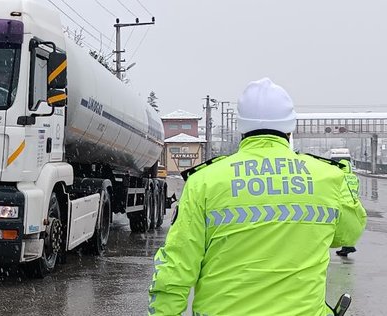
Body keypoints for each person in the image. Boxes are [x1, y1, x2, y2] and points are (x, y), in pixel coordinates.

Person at [147, 78, 367, 315]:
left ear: (241, 129)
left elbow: (176, 267)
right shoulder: (327, 177)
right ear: (290, 129)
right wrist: (347, 186)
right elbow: (348, 234)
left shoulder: (205, 181)